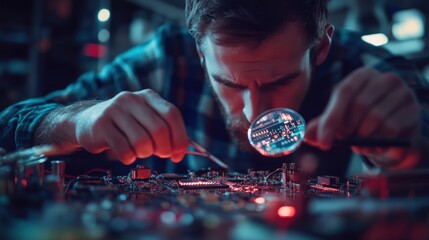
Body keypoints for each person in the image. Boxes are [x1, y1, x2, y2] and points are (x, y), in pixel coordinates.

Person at [0, 0, 428, 176]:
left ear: (321, 47)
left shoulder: (373, 70)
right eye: (228, 82)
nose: (254, 111)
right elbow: (9, 128)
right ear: (201, 56)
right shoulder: (167, 60)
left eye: (280, 81)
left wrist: (410, 152)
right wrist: (78, 119)